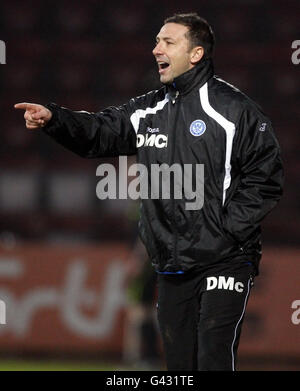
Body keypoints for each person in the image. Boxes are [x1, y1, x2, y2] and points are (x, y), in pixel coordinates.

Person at [14, 13, 284, 370]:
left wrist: (227, 229)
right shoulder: (147, 110)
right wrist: (54, 118)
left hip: (226, 260)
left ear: (196, 54)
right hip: (171, 265)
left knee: (212, 358)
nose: (155, 48)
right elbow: (99, 131)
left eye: (167, 42)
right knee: (179, 367)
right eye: (157, 41)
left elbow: (266, 175)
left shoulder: (234, 110)